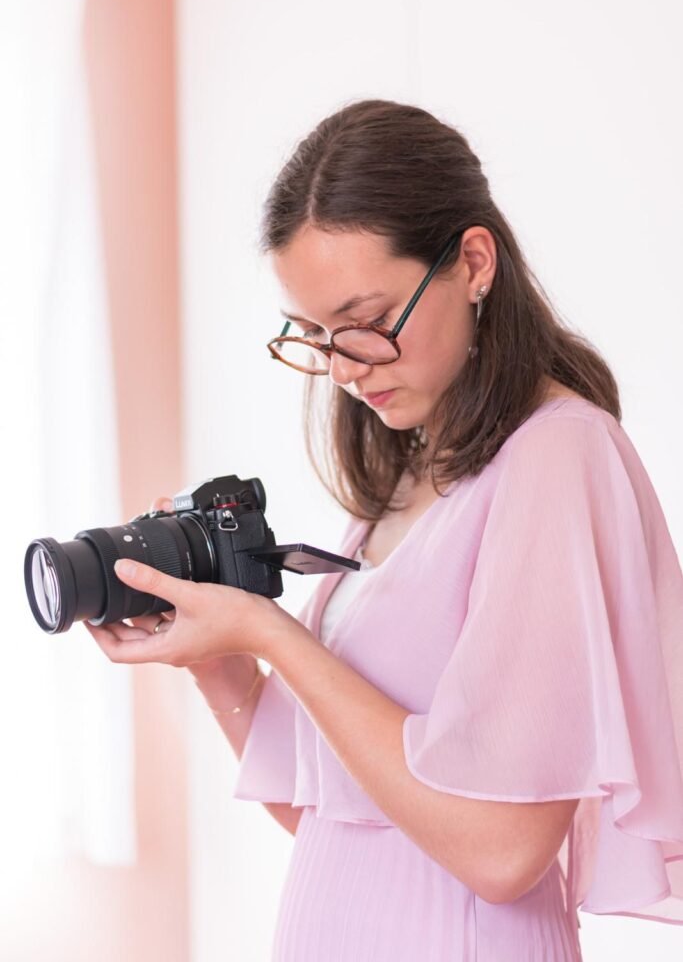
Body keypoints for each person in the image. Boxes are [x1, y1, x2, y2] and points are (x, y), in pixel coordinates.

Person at [85, 99, 683, 961]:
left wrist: (273, 635)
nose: (343, 368)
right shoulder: (406, 470)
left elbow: (501, 850)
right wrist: (218, 659)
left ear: (472, 262)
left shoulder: (558, 456)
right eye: (319, 336)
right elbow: (332, 812)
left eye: (365, 324)